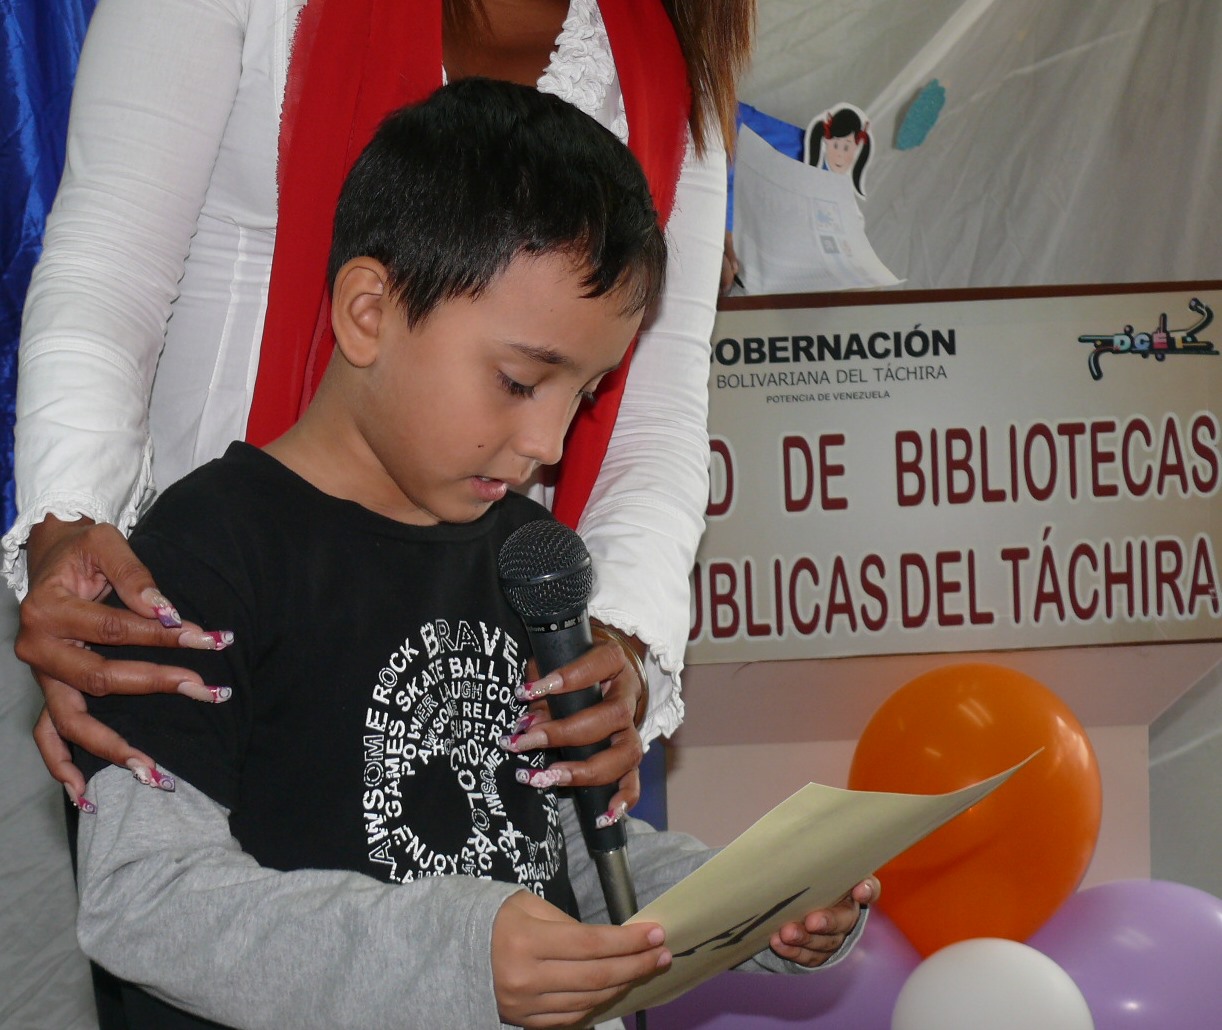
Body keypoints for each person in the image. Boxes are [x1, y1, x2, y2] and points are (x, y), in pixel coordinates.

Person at [72, 79, 873, 1029]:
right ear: (368, 313)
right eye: (521, 380)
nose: (549, 442)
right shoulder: (202, 554)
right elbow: (142, 901)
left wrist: (750, 903)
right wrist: (459, 954)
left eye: (582, 395)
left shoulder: (529, 562)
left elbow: (569, 856)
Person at [8, 0, 750, 812]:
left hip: (475, 674)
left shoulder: (666, 38)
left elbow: (655, 408)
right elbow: (108, 270)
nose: (549, 443)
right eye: (515, 382)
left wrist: (620, 645)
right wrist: (69, 531)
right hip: (206, 628)